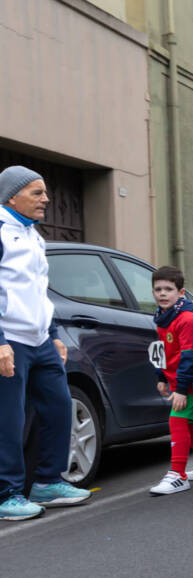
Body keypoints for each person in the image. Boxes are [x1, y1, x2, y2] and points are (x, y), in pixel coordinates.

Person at [0, 166, 92, 520]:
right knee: (8, 419)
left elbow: (38, 292)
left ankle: (47, 482)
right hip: (10, 341)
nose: (46, 199)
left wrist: (53, 334)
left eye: (46, 192)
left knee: (58, 407)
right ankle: (7, 493)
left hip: (40, 340)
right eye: (37, 193)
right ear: (12, 195)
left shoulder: (33, 235)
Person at [147, 266, 193, 495]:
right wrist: (161, 376)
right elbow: (163, 349)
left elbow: (190, 356)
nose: (162, 293)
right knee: (188, 422)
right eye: (158, 289)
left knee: (177, 420)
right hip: (178, 380)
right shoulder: (162, 317)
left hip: (192, 381)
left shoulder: (186, 318)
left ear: (181, 293)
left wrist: (180, 388)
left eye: (169, 289)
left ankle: (178, 474)